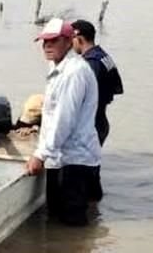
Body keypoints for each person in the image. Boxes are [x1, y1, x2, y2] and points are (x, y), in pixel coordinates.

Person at [24, 19, 102, 226]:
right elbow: (52, 115)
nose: (47, 46)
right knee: (57, 220)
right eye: (45, 42)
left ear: (69, 41)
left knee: (72, 224)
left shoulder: (74, 72)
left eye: (54, 41)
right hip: (61, 157)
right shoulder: (58, 67)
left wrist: (40, 154)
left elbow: (63, 119)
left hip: (74, 160)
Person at [69, 19, 124, 146]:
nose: (71, 44)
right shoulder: (103, 56)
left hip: (90, 126)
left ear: (79, 39)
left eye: (71, 39)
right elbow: (115, 89)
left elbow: (82, 97)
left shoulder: (91, 63)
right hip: (101, 121)